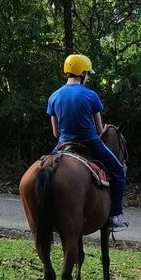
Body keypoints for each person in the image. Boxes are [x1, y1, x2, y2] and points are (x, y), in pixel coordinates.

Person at [47, 54, 128, 232]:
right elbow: (99, 131)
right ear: (82, 73)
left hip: (63, 144)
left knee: (45, 170)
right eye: (88, 74)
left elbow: (55, 132)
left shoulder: (54, 96)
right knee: (119, 171)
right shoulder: (91, 95)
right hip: (90, 142)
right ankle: (115, 215)